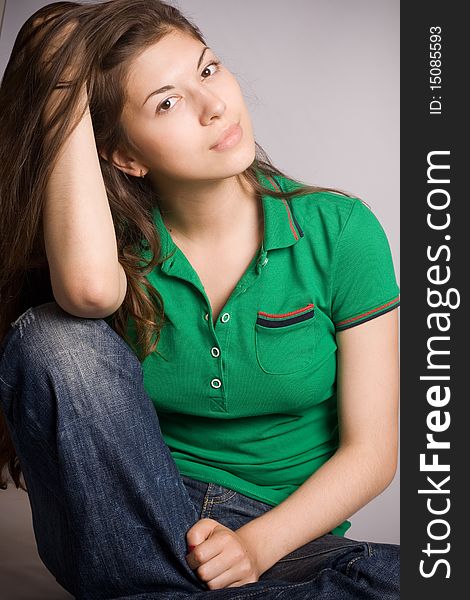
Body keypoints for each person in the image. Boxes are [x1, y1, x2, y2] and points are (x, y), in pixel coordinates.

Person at [0, 1, 400, 598]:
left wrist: (254, 546)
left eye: (208, 70)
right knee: (56, 336)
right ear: (125, 156)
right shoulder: (108, 253)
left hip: (286, 541)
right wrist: (60, 82)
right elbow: (85, 296)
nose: (215, 107)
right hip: (136, 514)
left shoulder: (340, 231)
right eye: (168, 102)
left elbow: (372, 454)